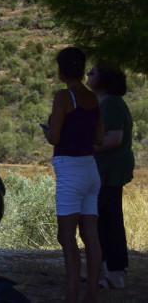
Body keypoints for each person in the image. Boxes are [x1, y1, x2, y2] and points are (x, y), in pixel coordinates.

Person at [43, 46, 103, 303]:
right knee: (91, 236)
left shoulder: (64, 97)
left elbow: (55, 137)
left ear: (61, 71)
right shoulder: (92, 98)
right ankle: (91, 295)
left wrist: (49, 130)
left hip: (70, 171)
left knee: (66, 237)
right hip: (90, 169)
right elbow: (99, 137)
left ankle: (71, 295)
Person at [89, 63, 132, 290]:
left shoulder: (112, 104)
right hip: (106, 170)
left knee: (109, 220)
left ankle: (115, 272)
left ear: (104, 79)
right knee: (105, 219)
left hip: (110, 171)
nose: (88, 75)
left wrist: (83, 145)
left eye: (93, 73)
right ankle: (109, 271)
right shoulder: (106, 103)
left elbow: (114, 138)